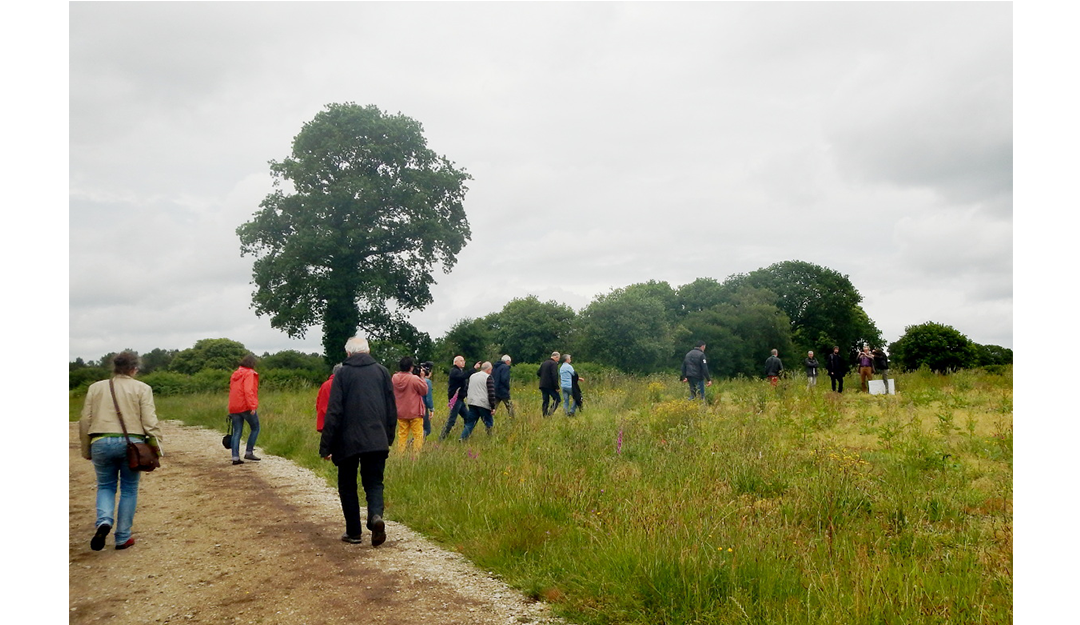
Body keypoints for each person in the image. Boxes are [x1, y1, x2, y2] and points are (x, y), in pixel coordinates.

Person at [79, 351, 164, 551]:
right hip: (132, 445)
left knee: (105, 486)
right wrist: (157, 448)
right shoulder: (142, 388)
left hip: (99, 441)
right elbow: (150, 422)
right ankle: (123, 537)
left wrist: (86, 448)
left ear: (115, 368)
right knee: (129, 489)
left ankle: (104, 522)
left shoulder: (95, 388)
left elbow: (85, 420)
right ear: (135, 368)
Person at [320, 336, 397, 546]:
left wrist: (326, 445)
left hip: (347, 441)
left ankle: (353, 532)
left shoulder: (342, 373)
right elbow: (392, 408)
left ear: (348, 353)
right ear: (368, 350)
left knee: (347, 485)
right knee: (374, 482)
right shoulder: (381, 371)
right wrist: (388, 436)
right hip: (377, 437)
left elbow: (334, 411)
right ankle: (374, 518)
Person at [392, 357, 429, 455]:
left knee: (402, 435)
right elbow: (424, 391)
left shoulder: (395, 378)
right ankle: (415, 455)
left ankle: (400, 454)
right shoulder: (414, 379)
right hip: (414, 412)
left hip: (400, 411)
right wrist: (422, 378)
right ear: (411, 367)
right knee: (418, 435)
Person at [228, 353, 261, 465]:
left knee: (237, 431)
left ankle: (235, 457)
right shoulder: (250, 374)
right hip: (245, 406)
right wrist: (252, 406)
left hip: (234, 406)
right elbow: (248, 390)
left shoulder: (235, 374)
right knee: (255, 428)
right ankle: (249, 452)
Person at [440, 355, 473, 440]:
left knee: (467, 417)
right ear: (455, 362)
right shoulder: (454, 371)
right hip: (455, 399)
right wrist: (474, 369)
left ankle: (465, 436)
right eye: (461, 360)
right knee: (452, 420)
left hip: (460, 399)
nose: (463, 362)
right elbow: (463, 377)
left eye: (463, 360)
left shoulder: (459, 371)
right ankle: (442, 437)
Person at [462, 361, 496, 440]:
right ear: (489, 369)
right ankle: (490, 439)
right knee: (488, 422)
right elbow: (491, 393)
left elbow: (466, 389)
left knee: (470, 423)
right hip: (483, 403)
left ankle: (463, 438)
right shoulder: (488, 377)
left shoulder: (472, 376)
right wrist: (493, 407)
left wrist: (469, 398)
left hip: (472, 402)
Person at [315, 364, 342, 432]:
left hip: (324, 421)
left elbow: (318, 403)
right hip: (335, 421)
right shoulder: (340, 384)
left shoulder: (325, 384)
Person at [538, 351, 561, 416]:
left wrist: (544, 377)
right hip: (550, 386)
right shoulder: (553, 364)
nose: (558, 360)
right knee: (557, 399)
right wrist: (556, 387)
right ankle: (550, 413)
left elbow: (538, 373)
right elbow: (554, 375)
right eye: (558, 358)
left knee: (545, 400)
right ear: (556, 357)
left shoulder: (544, 363)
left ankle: (544, 415)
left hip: (542, 385)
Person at [421, 361, 435, 437]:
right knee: (427, 429)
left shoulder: (414, 380)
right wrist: (431, 409)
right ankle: (412, 443)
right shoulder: (427, 382)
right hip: (423, 407)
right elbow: (428, 398)